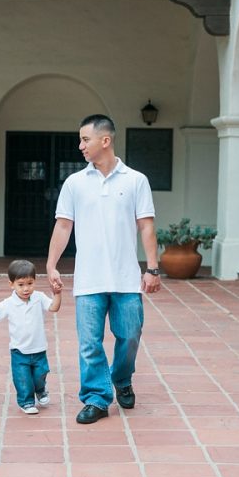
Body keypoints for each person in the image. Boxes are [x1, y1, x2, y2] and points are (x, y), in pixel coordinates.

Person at [46, 114, 162, 424]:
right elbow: (63, 225)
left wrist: (152, 268)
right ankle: (97, 398)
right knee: (89, 344)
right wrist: (51, 263)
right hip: (88, 280)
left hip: (125, 279)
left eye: (85, 139)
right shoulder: (75, 183)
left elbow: (146, 226)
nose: (80, 145)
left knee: (130, 336)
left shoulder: (136, 180)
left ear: (105, 140)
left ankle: (121, 378)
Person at [0, 259, 61, 414]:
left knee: (40, 375)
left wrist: (57, 294)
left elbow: (54, 307)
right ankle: (26, 402)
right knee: (23, 380)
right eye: (21, 284)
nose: (26, 288)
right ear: (11, 284)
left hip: (39, 349)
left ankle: (40, 390)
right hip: (19, 351)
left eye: (30, 283)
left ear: (35, 281)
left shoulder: (39, 297)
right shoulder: (9, 303)